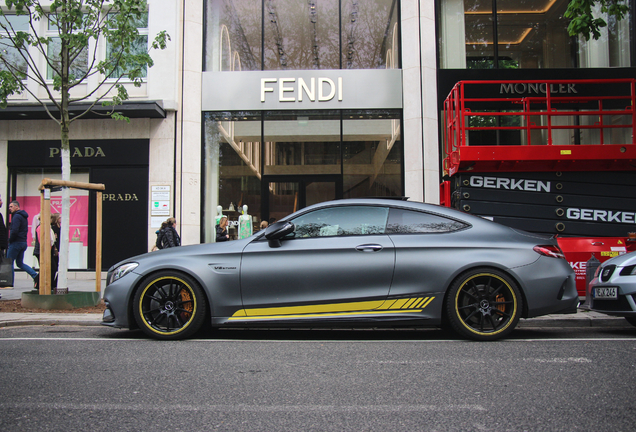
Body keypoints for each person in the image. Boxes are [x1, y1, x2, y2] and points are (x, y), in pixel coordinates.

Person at [7, 200, 38, 286]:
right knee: (20, 263)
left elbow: (14, 230)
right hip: (23, 242)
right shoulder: (24, 216)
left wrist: (10, 240)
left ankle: (9, 282)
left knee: (9, 262)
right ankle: (35, 275)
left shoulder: (16, 216)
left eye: (11, 206)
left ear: (17, 207)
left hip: (16, 242)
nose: (10, 208)